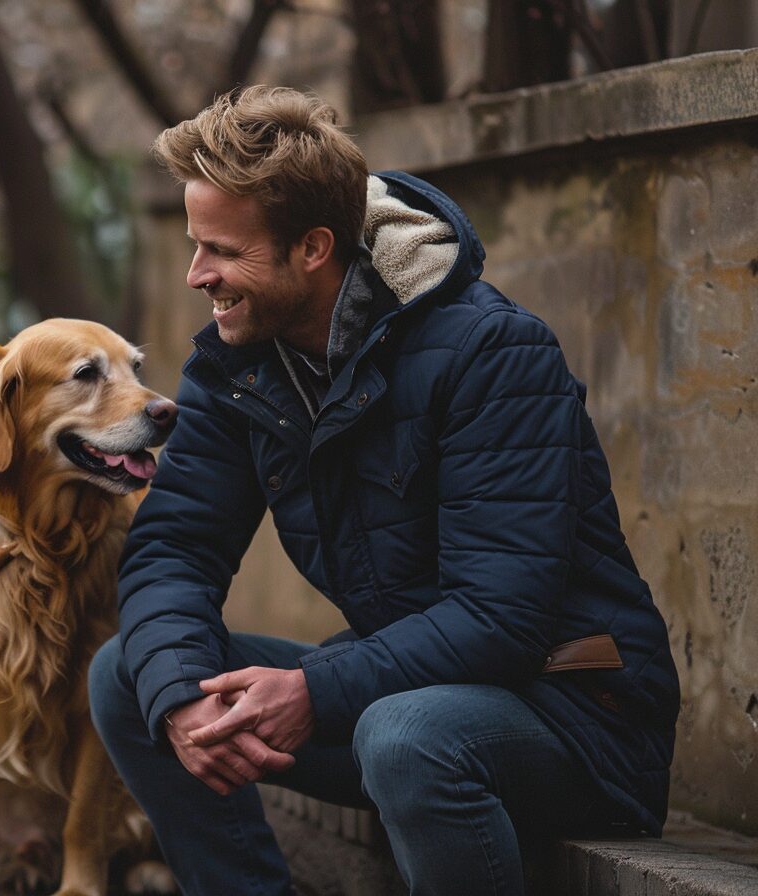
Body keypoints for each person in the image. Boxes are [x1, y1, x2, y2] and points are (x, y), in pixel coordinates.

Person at [88, 86, 680, 896]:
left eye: (222, 251)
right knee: (133, 674)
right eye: (196, 246)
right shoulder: (240, 367)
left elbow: (502, 616)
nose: (198, 275)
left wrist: (316, 690)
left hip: (572, 717)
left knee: (407, 737)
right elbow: (173, 551)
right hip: (400, 703)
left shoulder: (493, 354)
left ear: (313, 248)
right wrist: (182, 700)